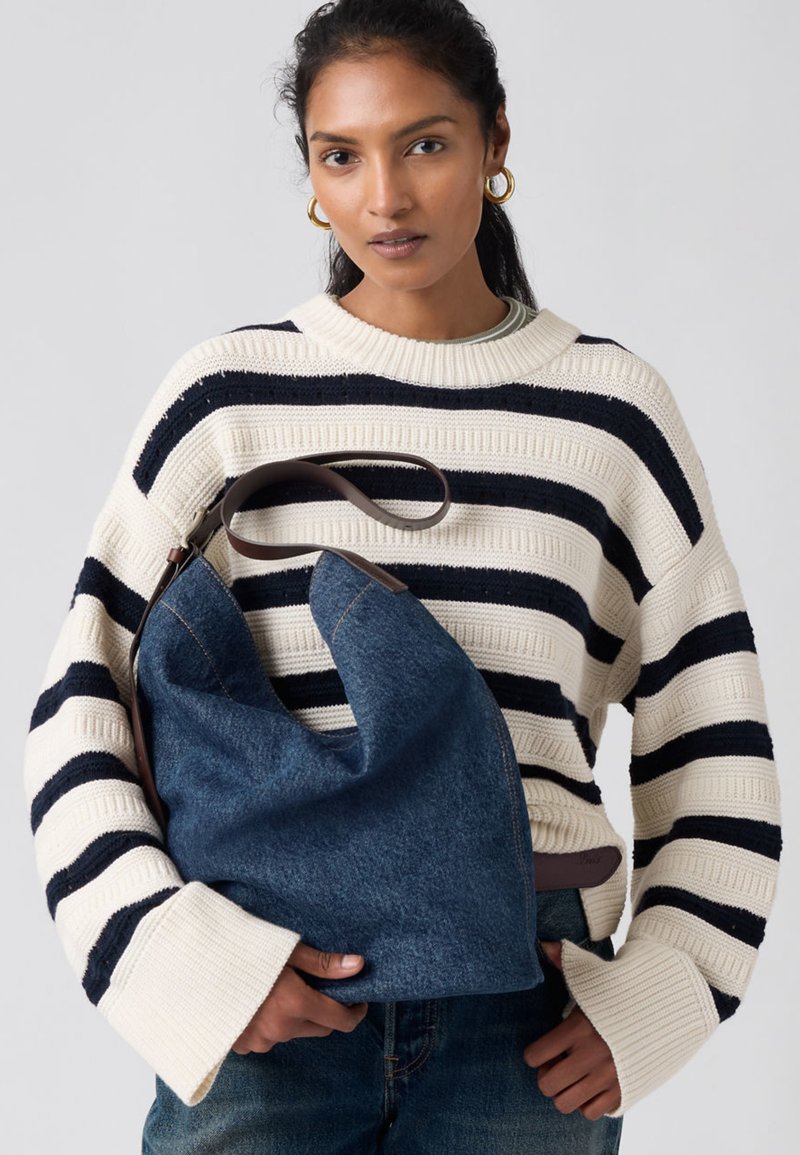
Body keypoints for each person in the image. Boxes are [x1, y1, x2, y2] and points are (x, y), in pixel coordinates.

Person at [23, 1, 781, 1151]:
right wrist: (177, 960)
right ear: (310, 175)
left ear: (495, 141)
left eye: (424, 143)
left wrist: (666, 989)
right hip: (267, 985)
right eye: (341, 155)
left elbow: (713, 738)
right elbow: (81, 705)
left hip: (528, 1015)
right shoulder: (228, 400)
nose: (384, 196)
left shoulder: (610, 416)